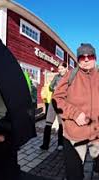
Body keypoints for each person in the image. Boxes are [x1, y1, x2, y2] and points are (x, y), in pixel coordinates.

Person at [52, 43, 99, 180]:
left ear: (94, 58)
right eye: (82, 57)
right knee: (74, 174)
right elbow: (56, 98)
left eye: (89, 56)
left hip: (96, 134)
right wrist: (74, 113)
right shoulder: (70, 76)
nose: (85, 59)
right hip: (74, 135)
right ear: (78, 60)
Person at [40, 62, 67, 150]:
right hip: (53, 102)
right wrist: (54, 87)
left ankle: (60, 144)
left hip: (62, 103)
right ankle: (45, 144)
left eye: (61, 69)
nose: (60, 70)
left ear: (65, 68)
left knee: (61, 124)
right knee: (48, 123)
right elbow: (50, 87)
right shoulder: (56, 77)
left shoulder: (69, 78)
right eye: (59, 69)